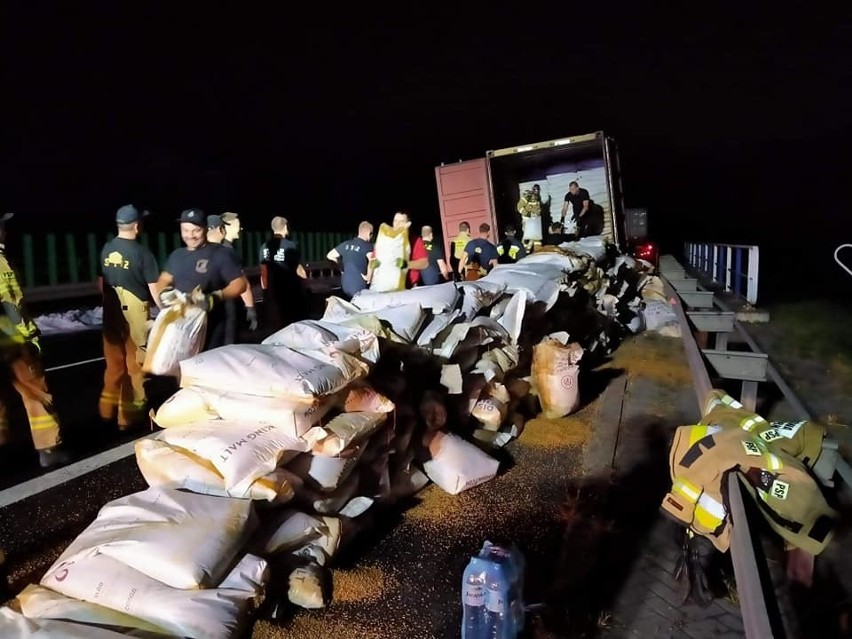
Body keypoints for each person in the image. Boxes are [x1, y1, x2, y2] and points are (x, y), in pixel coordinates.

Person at [0, 213, 69, 468]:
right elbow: (12, 304)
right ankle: (49, 449)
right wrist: (30, 337)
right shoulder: (1, 263)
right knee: (36, 393)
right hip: (13, 344)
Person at [98, 204, 161, 431]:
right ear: (136, 225)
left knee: (114, 364)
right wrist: (164, 310)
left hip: (111, 310)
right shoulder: (142, 253)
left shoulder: (106, 249)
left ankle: (106, 411)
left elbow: (101, 283)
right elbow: (154, 288)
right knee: (135, 365)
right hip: (134, 314)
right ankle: (129, 417)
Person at [155, 208, 247, 351]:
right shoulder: (177, 255)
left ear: (205, 228)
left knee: (208, 369)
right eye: (185, 230)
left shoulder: (221, 254)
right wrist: (164, 293)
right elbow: (163, 279)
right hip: (181, 329)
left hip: (211, 329)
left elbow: (240, 284)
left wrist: (215, 297)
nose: (190, 236)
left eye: (195, 230)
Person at [207, 214, 257, 342]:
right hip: (228, 305)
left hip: (211, 304)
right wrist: (250, 308)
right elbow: (242, 282)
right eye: (237, 226)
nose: (240, 229)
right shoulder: (227, 251)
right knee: (228, 343)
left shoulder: (206, 249)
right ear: (224, 228)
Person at [260, 216, 307, 330]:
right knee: (292, 323)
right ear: (285, 227)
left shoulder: (264, 247)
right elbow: (298, 269)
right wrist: (305, 285)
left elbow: (263, 272)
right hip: (290, 291)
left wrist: (265, 292)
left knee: (277, 324)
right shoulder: (290, 246)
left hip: (273, 291)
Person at [326, 221, 374, 300]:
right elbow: (372, 261)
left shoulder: (346, 244)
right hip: (358, 287)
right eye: (371, 234)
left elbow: (330, 256)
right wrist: (368, 277)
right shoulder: (368, 246)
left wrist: (341, 268)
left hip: (345, 286)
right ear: (369, 233)